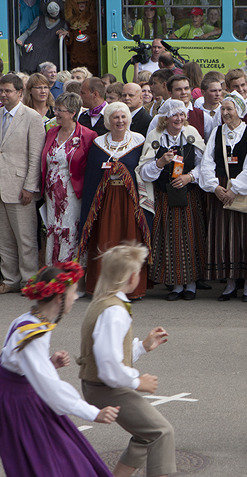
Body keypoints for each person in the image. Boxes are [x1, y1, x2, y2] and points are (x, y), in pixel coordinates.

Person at [0, 262, 118, 477]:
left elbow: (11, 359)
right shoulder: (34, 333)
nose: (75, 297)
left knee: (60, 456)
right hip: (20, 403)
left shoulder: (29, 320)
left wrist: (47, 363)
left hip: (21, 395)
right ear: (58, 297)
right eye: (73, 292)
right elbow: (51, 388)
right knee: (57, 462)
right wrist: (93, 413)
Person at [78, 244, 176, 477]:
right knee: (162, 432)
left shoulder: (106, 301)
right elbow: (108, 364)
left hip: (98, 385)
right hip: (104, 387)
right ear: (132, 277)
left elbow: (107, 350)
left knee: (146, 435)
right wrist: (137, 381)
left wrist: (143, 346)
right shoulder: (115, 311)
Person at [138, 99, 207, 301]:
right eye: (175, 115)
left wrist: (189, 177)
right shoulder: (156, 137)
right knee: (170, 240)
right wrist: (159, 163)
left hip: (188, 195)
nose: (179, 119)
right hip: (165, 196)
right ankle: (176, 285)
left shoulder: (192, 134)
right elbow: (144, 172)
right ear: (166, 117)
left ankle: (191, 284)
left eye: (182, 115)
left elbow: (204, 164)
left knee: (192, 237)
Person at [79, 101, 149, 299]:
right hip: (105, 200)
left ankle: (131, 288)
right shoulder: (98, 144)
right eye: (116, 117)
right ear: (108, 121)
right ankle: (104, 288)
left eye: (123, 117)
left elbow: (143, 171)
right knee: (106, 241)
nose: (120, 121)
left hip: (130, 200)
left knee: (129, 243)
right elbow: (92, 176)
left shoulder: (139, 141)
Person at [199, 92, 247, 301]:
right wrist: (215, 188)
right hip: (220, 190)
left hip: (242, 191)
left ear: (239, 111)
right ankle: (229, 282)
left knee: (246, 237)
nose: (226, 113)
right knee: (223, 237)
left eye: (230, 109)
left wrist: (235, 189)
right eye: (223, 109)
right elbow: (207, 162)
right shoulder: (217, 132)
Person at [0, 73, 45, 295]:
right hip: (1, 186)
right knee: (4, 239)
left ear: (20, 92)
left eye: (8, 91)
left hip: (20, 187)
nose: (3, 95)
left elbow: (36, 156)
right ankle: (10, 279)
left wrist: (30, 186)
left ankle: (29, 279)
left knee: (25, 237)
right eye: (1, 91)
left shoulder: (32, 117)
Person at [42, 92, 97, 265]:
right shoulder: (51, 133)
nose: (56, 113)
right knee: (53, 230)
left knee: (70, 232)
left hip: (73, 193)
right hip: (51, 195)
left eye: (60, 110)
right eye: (55, 109)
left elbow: (91, 168)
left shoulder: (87, 135)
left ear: (73, 113)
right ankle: (54, 275)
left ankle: (72, 279)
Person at [60, 0, 99, 75]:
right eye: (78, 3)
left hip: (89, 55)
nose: (81, 5)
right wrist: (68, 34)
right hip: (75, 54)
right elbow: (72, 35)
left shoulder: (92, 18)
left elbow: (98, 35)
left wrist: (89, 38)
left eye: (84, 3)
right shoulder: (73, 19)